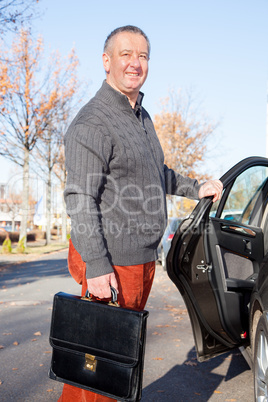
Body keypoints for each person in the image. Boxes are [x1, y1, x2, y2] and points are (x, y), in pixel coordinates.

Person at [58, 25, 223, 402]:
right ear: (106, 61)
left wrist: (193, 187)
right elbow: (80, 198)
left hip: (141, 261)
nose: (135, 63)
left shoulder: (141, 116)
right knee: (98, 372)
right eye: (126, 54)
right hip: (113, 265)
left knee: (118, 365)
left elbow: (156, 172)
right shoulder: (93, 122)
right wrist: (98, 267)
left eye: (143, 56)